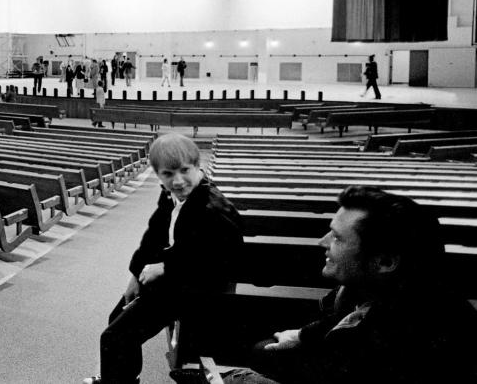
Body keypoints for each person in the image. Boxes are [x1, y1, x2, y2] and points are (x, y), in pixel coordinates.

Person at [224, 186, 477, 384]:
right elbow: (344, 317)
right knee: (263, 352)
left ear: (385, 261)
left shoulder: (413, 341)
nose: (322, 243)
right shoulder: (378, 287)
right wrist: (302, 335)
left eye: (337, 237)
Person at [84, 133, 244, 384]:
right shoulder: (173, 195)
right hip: (176, 278)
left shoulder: (214, 209)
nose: (177, 181)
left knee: (114, 337)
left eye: (184, 170)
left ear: (197, 166)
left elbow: (224, 262)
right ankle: (122, 377)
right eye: (168, 174)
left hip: (199, 289)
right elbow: (154, 236)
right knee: (116, 319)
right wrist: (136, 275)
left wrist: (166, 267)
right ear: (159, 174)